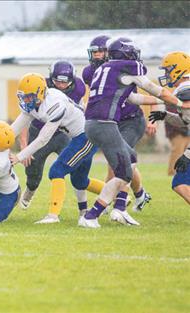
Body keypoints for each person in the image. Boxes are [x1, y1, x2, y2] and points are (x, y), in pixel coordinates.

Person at [79, 39, 189, 228]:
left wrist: (162, 106)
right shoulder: (127, 67)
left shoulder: (104, 70)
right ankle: (92, 215)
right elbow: (157, 90)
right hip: (105, 124)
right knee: (124, 171)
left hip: (94, 123)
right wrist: (178, 103)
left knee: (130, 159)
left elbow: (132, 97)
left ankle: (120, 208)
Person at [10, 73, 105, 224]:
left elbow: (43, 139)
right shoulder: (36, 102)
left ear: (40, 93)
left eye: (29, 96)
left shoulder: (54, 103)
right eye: (24, 96)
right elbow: (15, 128)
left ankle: (53, 216)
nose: (26, 100)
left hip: (87, 136)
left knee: (57, 170)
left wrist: (19, 157)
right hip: (78, 137)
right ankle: (119, 194)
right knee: (80, 181)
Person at [83, 35, 153, 213]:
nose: (97, 55)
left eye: (100, 51)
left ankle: (116, 205)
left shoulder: (125, 67)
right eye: (94, 52)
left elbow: (148, 90)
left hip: (130, 119)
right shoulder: (90, 72)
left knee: (121, 161)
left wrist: (153, 116)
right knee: (122, 159)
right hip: (110, 121)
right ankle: (139, 194)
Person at [19, 60, 85, 209]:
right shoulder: (39, 85)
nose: (61, 85)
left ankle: (84, 205)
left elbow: (81, 106)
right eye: (56, 81)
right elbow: (25, 115)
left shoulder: (78, 87)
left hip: (63, 133)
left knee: (76, 167)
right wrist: (24, 145)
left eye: (64, 82)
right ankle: (30, 192)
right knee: (32, 172)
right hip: (39, 130)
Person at [149, 51, 190, 205]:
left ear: (178, 69)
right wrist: (165, 115)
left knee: (180, 183)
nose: (166, 74)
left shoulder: (185, 90)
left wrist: (188, 154)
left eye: (168, 70)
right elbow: (186, 121)